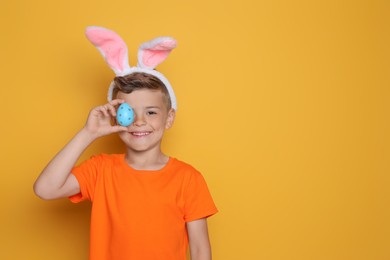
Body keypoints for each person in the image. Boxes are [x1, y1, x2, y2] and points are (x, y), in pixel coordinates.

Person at [33, 26, 218, 260]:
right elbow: (45, 189)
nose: (139, 122)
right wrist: (88, 133)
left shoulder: (188, 179)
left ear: (169, 117)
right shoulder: (101, 170)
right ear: (115, 116)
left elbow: (201, 251)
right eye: (128, 112)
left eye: (151, 112)